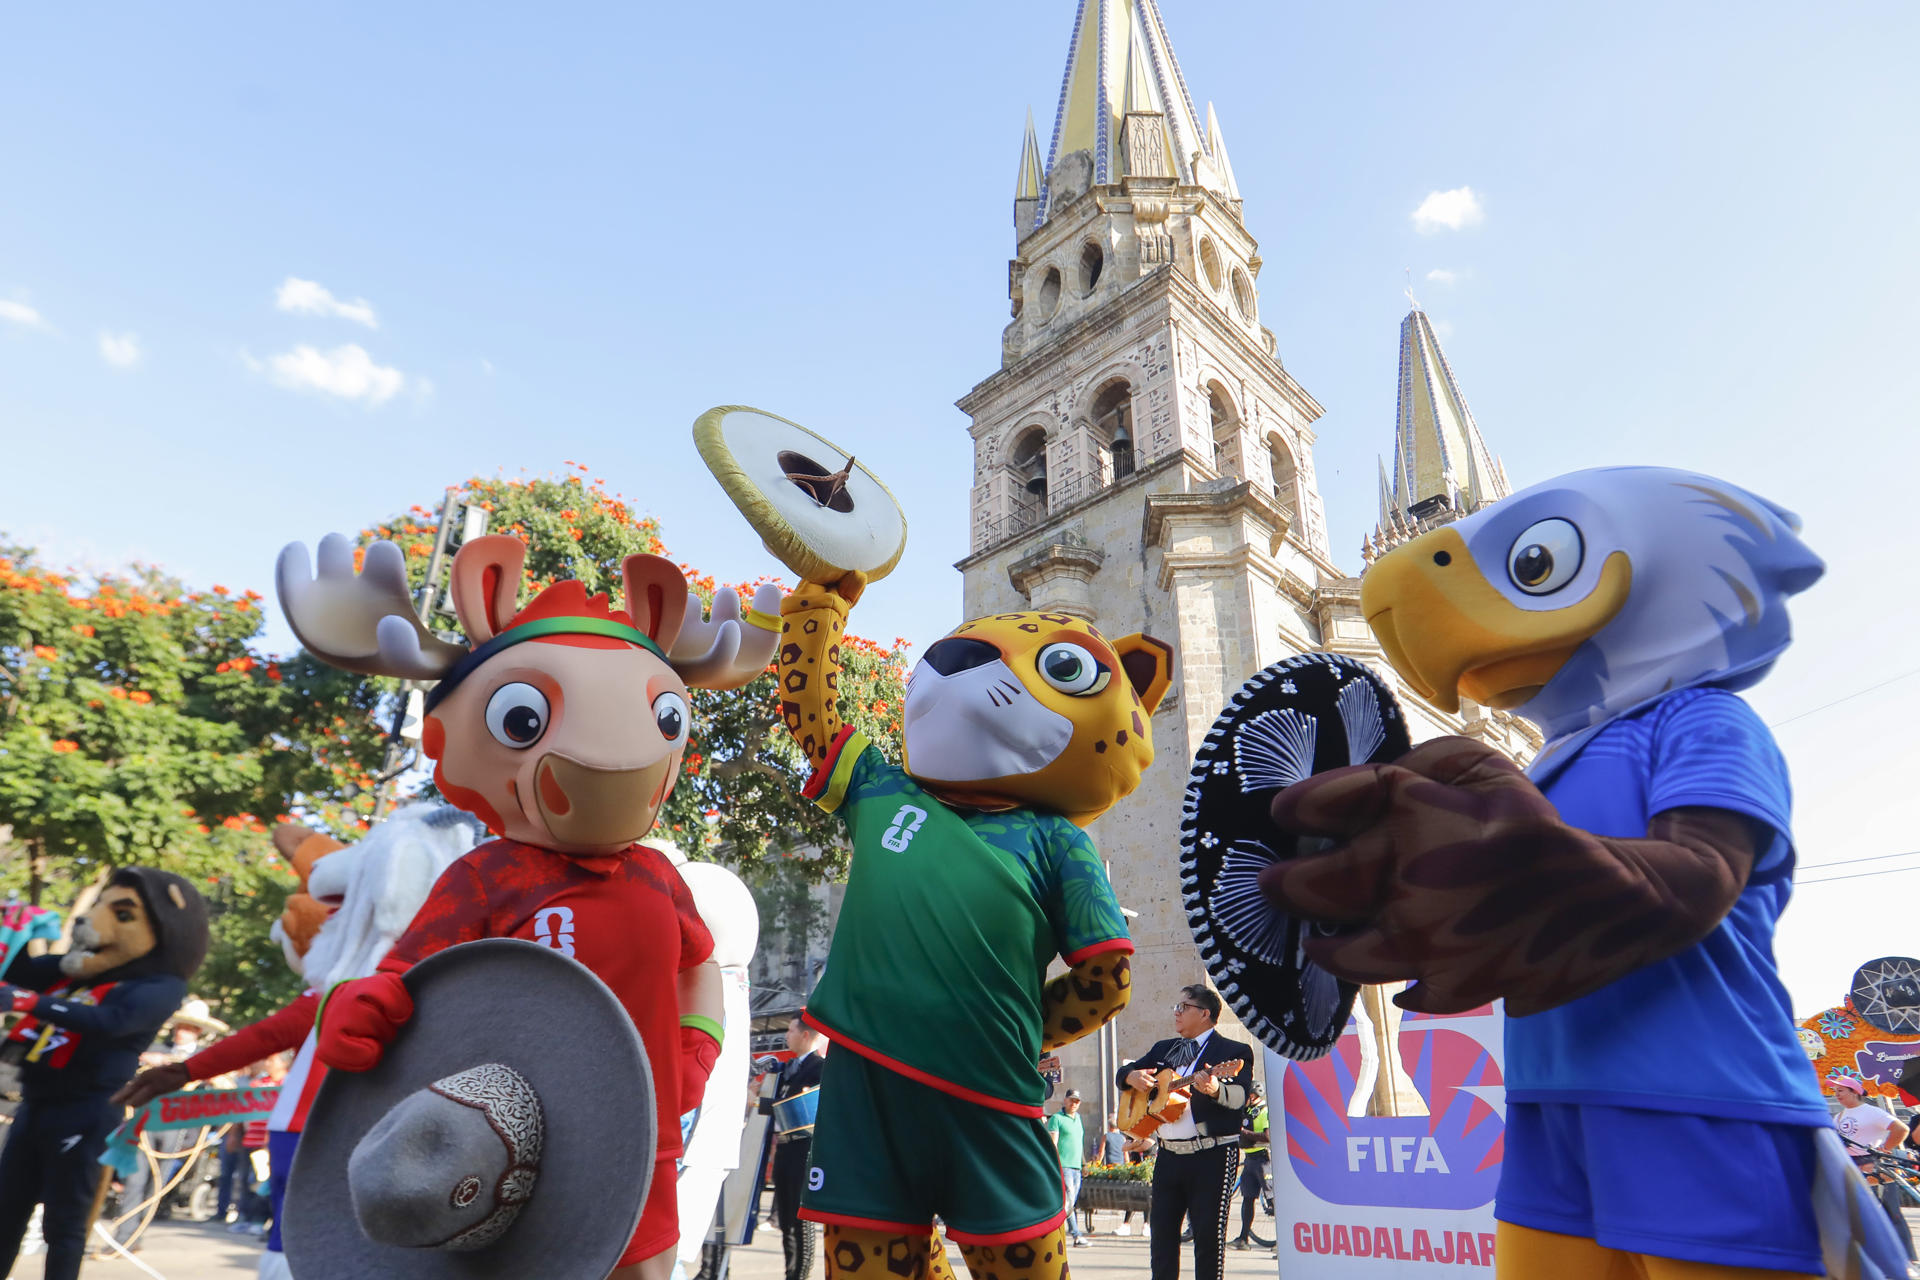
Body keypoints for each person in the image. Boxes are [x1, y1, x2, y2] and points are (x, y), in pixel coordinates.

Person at [0, 868, 207, 1280]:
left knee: (64, 1223)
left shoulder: (161, 984)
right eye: (99, 905)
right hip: (35, 1104)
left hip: (89, 1108)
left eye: (123, 914)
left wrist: (32, 1004)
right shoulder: (77, 970)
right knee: (5, 1215)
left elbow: (111, 1021)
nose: (93, 918)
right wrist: (13, 926)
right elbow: (19, 972)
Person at [1118, 985, 1252, 1280]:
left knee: (1208, 1241)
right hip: (1168, 1156)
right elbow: (1122, 1077)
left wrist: (1217, 1090)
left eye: (1183, 1007)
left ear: (1204, 1014)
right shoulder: (1163, 1048)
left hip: (1213, 1156)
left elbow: (1240, 1098)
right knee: (1162, 1240)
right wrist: (1131, 1076)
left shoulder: (1233, 1052)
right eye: (1176, 1007)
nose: (1176, 1013)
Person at [1832, 1075, 1916, 1265]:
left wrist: (1885, 1148)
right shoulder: (1839, 1115)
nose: (1837, 1095)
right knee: (1857, 1212)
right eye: (1835, 1092)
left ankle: (1907, 1257)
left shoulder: (1871, 1111)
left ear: (1854, 1092)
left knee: (1890, 1211)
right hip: (1850, 1165)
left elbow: (1901, 1129)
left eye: (1841, 1091)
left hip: (1874, 1165)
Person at [768, 1017, 826, 1280]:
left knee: (800, 1218)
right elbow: (773, 1108)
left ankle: (799, 1274)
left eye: (790, 1030)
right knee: (786, 1219)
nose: (786, 1035)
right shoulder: (787, 1069)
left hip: (804, 1149)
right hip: (784, 1148)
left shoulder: (820, 1068)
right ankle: (790, 1272)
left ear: (805, 1035)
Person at [1044, 1090, 1088, 1247]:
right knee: (1068, 1200)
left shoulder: (1079, 1119)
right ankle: (1076, 1235)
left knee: (1071, 1202)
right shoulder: (1056, 1119)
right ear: (1065, 1100)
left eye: (1077, 1101)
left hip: (1076, 1166)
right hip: (1063, 1165)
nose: (1074, 1104)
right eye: (1071, 1100)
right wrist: (1054, 1164)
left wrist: (1083, 1163)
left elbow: (1079, 1143)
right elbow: (1053, 1143)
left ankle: (1055, 1230)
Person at [1229, 1087, 1269, 1250]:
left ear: (1254, 1096)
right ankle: (1243, 1238)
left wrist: (1244, 1132)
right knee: (1247, 1199)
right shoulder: (1249, 1110)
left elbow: (1267, 1136)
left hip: (1263, 1159)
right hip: (1250, 1159)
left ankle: (1281, 1242)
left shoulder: (1265, 1111)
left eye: (1248, 1095)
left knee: (1272, 1201)